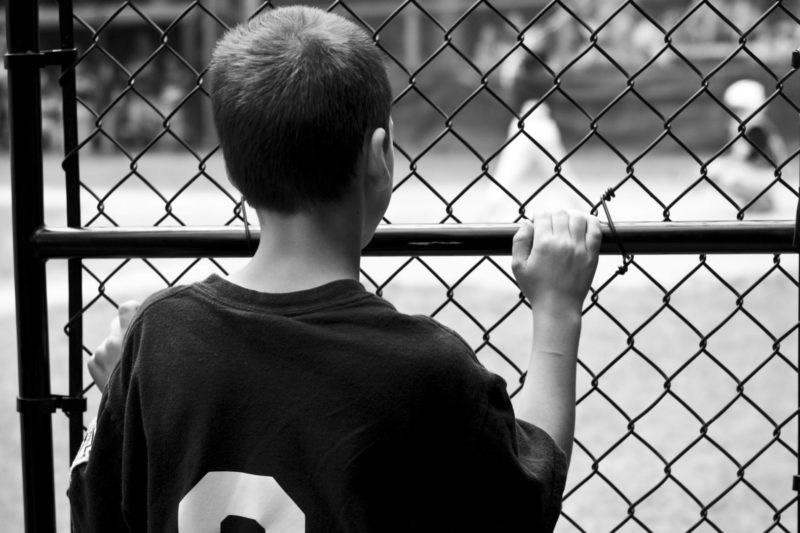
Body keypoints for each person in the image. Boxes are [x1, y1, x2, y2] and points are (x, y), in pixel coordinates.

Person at [68, 6, 601, 532]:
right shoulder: (426, 368)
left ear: (231, 166)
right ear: (379, 156)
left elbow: (94, 511)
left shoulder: (160, 337)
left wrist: (118, 399)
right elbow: (525, 502)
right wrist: (557, 311)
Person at [710, 79, 786, 213]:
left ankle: (760, 200)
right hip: (768, 175)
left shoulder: (754, 128)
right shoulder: (760, 123)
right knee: (719, 168)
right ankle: (759, 199)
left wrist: (718, 166)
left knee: (721, 173)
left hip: (763, 175)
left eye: (740, 109)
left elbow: (742, 157)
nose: (736, 113)